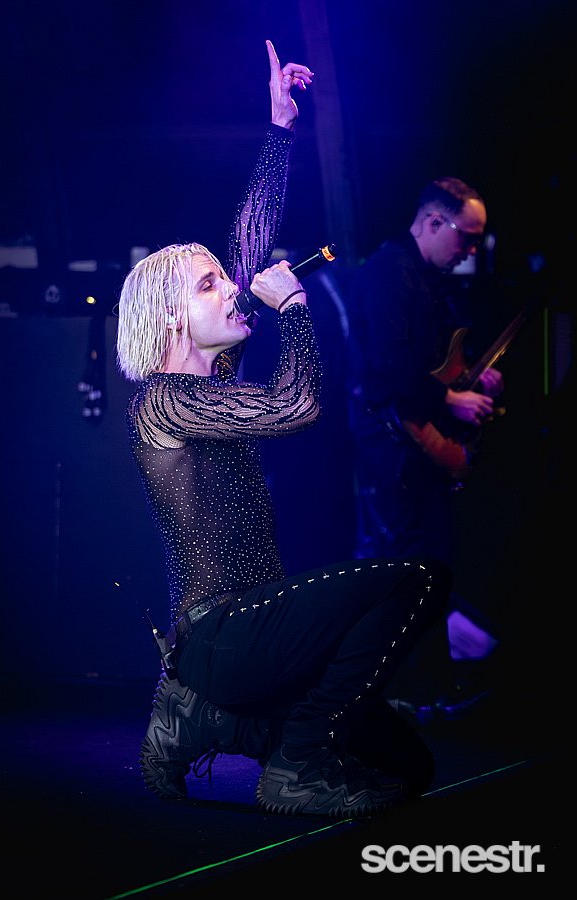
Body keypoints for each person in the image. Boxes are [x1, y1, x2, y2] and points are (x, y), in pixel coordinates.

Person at [115, 40, 452, 819]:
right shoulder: (161, 404)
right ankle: (293, 761)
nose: (232, 291)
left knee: (410, 764)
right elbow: (294, 407)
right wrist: (295, 311)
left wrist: (280, 128)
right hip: (222, 637)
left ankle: (228, 722)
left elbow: (247, 245)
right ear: (172, 318)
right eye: (208, 287)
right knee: (418, 577)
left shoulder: (210, 382)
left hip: (264, 633)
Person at [346, 177, 505, 721]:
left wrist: (471, 380)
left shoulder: (428, 279)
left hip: (415, 441)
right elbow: (390, 366)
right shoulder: (388, 272)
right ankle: (407, 691)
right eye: (466, 236)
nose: (470, 250)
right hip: (391, 444)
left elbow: (433, 364)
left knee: (432, 560)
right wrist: (451, 400)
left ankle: (433, 685)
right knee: (409, 564)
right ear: (434, 221)